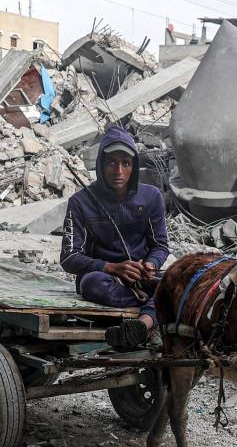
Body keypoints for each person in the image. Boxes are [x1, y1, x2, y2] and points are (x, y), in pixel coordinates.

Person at [60, 126, 169, 348]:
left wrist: (150, 264)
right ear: (101, 164)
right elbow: (68, 257)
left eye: (125, 163)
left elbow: (160, 245)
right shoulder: (81, 202)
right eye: (111, 162)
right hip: (104, 278)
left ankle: (142, 325)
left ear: (134, 167)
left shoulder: (151, 197)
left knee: (177, 284)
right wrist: (110, 267)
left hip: (142, 276)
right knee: (92, 284)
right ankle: (152, 313)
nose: (118, 170)